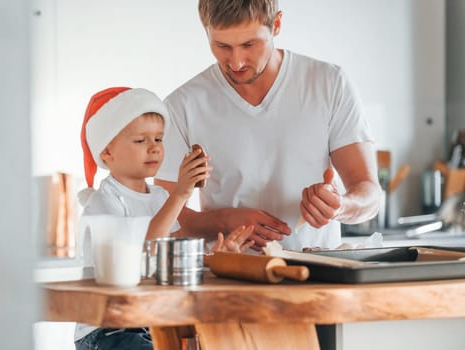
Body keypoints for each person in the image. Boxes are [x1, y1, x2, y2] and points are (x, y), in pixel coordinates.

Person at [155, 0, 382, 252]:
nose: (236, 62)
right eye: (222, 46)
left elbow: (369, 194)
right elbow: (162, 217)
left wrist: (340, 206)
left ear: (276, 24)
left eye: (249, 44)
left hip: (319, 276)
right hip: (227, 277)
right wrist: (227, 219)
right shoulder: (182, 105)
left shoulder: (329, 83)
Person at [75, 87, 254, 350]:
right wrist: (180, 194)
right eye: (140, 141)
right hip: (107, 330)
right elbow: (144, 249)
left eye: (158, 139)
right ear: (107, 152)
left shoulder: (158, 196)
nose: (154, 148)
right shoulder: (104, 200)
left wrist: (217, 258)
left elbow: (169, 256)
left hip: (148, 322)